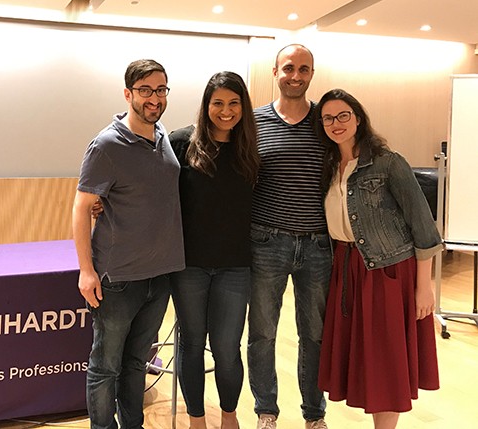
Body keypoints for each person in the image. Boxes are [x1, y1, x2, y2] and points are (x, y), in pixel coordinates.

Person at [313, 89, 441, 429]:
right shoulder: (328, 165)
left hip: (386, 271)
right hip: (344, 268)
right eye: (328, 118)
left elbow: (423, 227)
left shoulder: (387, 162)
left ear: (358, 118)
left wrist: (423, 287)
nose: (336, 123)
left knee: (385, 362)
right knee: (364, 359)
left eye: (343, 116)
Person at [72, 59, 185, 429]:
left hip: (160, 276)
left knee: (137, 363)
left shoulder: (163, 136)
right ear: (128, 94)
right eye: (145, 90)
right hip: (117, 278)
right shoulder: (106, 144)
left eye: (161, 89)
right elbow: (81, 208)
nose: (154, 98)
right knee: (105, 366)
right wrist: (86, 271)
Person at [247, 44, 332, 429]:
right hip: (267, 242)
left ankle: (314, 414)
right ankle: (267, 411)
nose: (295, 75)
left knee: (314, 335)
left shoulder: (326, 122)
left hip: (318, 244)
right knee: (263, 332)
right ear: (275, 71)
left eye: (303, 68)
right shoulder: (254, 122)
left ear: (312, 73)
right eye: (288, 68)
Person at [168, 71, 259, 429]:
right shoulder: (180, 143)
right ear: (206, 105)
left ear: (243, 106)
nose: (226, 111)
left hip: (235, 267)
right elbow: (153, 191)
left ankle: (229, 417)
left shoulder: (250, 149)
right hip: (189, 265)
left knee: (226, 348)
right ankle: (195, 420)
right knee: (191, 343)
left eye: (234, 103)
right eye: (218, 103)